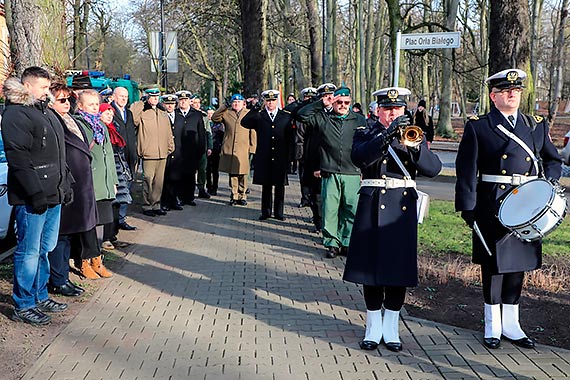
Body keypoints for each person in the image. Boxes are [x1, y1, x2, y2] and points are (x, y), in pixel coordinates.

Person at [455, 69, 562, 350]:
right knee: (494, 265)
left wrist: (548, 184)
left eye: (515, 90)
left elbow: (552, 160)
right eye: (505, 90)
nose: (512, 94)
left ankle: (512, 324)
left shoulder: (536, 124)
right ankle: (492, 324)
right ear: (493, 96)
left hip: (528, 205)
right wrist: (467, 206)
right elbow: (466, 170)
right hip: (493, 203)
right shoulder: (479, 126)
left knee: (519, 265)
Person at [343, 87, 442, 352]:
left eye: (397, 109)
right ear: (378, 111)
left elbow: (433, 169)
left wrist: (415, 146)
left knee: (398, 270)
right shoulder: (365, 133)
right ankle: (373, 326)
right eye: (387, 109)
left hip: (401, 209)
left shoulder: (413, 137)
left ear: (405, 110)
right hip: (372, 204)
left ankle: (392, 326)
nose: (392, 113)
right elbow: (359, 158)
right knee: (371, 270)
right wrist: (386, 134)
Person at [1, 67, 72, 325]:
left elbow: (57, 154)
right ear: (28, 86)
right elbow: (18, 159)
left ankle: (40, 295)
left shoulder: (42, 111)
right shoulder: (16, 113)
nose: (48, 92)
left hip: (53, 193)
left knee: (44, 248)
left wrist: (65, 185)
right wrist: (35, 193)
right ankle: (23, 303)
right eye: (43, 87)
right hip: (33, 197)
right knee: (29, 251)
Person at [297, 86, 362, 258]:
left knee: (351, 208)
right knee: (330, 209)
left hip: (352, 171)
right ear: (333, 102)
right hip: (330, 170)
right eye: (339, 102)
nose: (342, 105)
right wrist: (321, 103)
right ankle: (332, 243)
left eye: (346, 102)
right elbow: (301, 116)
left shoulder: (359, 120)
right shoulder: (323, 119)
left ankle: (347, 241)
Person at [47, 82, 95, 295]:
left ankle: (63, 276)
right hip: (67, 185)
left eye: (69, 99)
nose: (67, 103)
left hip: (79, 185)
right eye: (62, 100)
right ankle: (58, 279)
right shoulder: (52, 121)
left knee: (68, 235)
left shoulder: (70, 120)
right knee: (60, 235)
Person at [73, 89, 116, 278]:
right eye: (90, 104)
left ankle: (97, 259)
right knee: (87, 223)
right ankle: (84, 261)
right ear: (80, 106)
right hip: (89, 182)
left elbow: (109, 155)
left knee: (100, 223)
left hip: (103, 182)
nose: (95, 107)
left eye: (96, 104)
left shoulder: (101, 125)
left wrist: (113, 180)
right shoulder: (79, 125)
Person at [241, 90, 294, 220]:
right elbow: (245, 122)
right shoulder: (260, 116)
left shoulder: (285, 116)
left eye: (273, 100)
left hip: (280, 155)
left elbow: (290, 138)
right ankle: (266, 211)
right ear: (265, 101)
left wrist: (290, 157)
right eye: (268, 101)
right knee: (266, 185)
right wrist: (255, 107)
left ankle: (279, 212)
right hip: (264, 155)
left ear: (277, 101)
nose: (271, 103)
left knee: (280, 186)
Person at [131, 88, 174, 217]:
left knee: (159, 182)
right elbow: (133, 119)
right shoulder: (143, 112)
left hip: (162, 153)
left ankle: (156, 204)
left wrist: (170, 147)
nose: (155, 99)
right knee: (148, 181)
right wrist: (141, 103)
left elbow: (168, 131)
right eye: (152, 96)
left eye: (157, 96)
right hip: (148, 152)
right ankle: (146, 205)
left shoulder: (162, 112)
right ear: (147, 97)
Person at [100, 103, 132, 248]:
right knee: (108, 206)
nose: (109, 115)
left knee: (117, 205)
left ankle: (113, 235)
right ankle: (105, 238)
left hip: (119, 170)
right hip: (106, 172)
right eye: (106, 113)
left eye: (111, 113)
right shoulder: (99, 129)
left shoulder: (115, 129)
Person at [212, 94, 254, 206]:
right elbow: (215, 118)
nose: (236, 104)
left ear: (243, 103)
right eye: (234, 102)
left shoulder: (248, 113)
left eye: (238, 102)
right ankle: (234, 195)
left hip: (243, 147)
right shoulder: (227, 113)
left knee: (243, 173)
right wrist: (224, 106)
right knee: (233, 174)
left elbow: (253, 131)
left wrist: (253, 147)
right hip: (230, 147)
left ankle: (243, 195)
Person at [111, 87, 138, 231]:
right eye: (121, 96)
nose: (124, 99)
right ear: (114, 96)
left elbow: (132, 135)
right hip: (117, 157)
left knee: (127, 187)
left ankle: (122, 218)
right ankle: (115, 220)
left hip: (129, 156)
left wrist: (134, 154)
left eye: (126, 97)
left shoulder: (129, 113)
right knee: (119, 189)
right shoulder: (111, 112)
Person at [173, 90, 206, 206]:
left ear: (189, 101)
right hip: (178, 151)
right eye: (181, 100)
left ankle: (189, 198)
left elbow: (202, 134)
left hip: (192, 151)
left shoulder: (196, 115)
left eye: (185, 100)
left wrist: (201, 150)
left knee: (191, 175)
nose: (183, 102)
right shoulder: (175, 114)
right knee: (179, 175)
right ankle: (179, 197)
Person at [160, 94, 184, 211]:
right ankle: (164, 201)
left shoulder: (180, 117)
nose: (170, 106)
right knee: (165, 178)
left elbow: (183, 135)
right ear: (164, 104)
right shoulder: (161, 116)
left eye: (172, 104)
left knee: (176, 178)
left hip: (178, 152)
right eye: (168, 104)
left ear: (175, 105)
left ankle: (174, 200)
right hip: (166, 151)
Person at [191, 94, 213, 199]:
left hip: (202, 146)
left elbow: (209, 132)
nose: (196, 105)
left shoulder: (204, 116)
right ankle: (189, 190)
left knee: (202, 169)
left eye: (198, 103)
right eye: (194, 102)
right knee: (190, 170)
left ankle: (201, 188)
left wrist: (209, 147)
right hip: (191, 147)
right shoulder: (189, 114)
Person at [207, 107, 224, 196]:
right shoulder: (205, 123)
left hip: (216, 149)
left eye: (212, 113)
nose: (210, 115)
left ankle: (215, 188)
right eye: (208, 113)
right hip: (207, 150)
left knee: (215, 170)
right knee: (207, 170)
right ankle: (208, 187)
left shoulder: (219, 125)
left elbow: (222, 137)